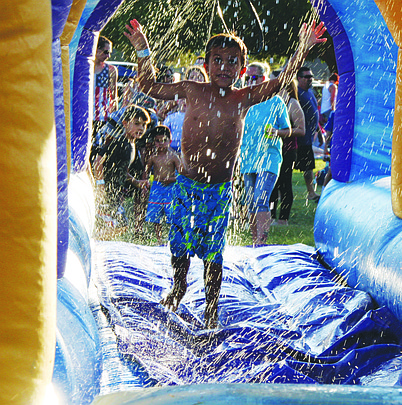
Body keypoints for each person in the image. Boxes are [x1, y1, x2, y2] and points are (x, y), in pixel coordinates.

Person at [124, 18, 326, 328]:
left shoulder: (242, 98)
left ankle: (211, 307)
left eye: (233, 62)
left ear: (243, 70)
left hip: (219, 192)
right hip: (187, 185)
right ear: (205, 64)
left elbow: (283, 79)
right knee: (180, 247)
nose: (224, 66)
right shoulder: (192, 89)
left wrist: (304, 46)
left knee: (213, 254)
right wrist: (142, 50)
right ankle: (178, 289)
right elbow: (149, 87)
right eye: (217, 60)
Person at [239, 62, 291, 244]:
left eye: (256, 78)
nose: (251, 81)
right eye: (248, 78)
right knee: (251, 202)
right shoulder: (244, 100)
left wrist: (277, 132)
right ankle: (255, 240)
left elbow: (288, 130)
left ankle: (262, 240)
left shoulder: (275, 101)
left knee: (261, 198)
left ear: (265, 79)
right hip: (247, 158)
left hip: (269, 156)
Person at [94, 104, 151, 226]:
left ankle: (99, 240)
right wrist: (100, 184)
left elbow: (122, 170)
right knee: (118, 225)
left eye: (144, 125)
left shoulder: (132, 144)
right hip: (108, 192)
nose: (141, 128)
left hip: (115, 193)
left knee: (119, 225)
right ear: (125, 123)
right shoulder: (121, 143)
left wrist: (137, 182)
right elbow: (98, 161)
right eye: (136, 123)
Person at [270, 79, 305, 226]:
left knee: (284, 184)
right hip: (273, 149)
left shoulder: (292, 103)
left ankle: (283, 219)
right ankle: (271, 217)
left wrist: (279, 133)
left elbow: (301, 130)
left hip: (288, 150)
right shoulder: (273, 102)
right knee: (272, 184)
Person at [143, 126, 182, 245]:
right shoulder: (153, 157)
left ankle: (171, 237)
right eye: (158, 141)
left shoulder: (173, 156)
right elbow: (146, 171)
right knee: (156, 214)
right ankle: (159, 239)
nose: (161, 143)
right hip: (156, 187)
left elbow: (181, 175)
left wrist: (172, 179)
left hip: (170, 187)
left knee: (171, 213)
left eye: (164, 140)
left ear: (170, 141)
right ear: (154, 142)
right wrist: (145, 184)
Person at [295, 66, 321, 202]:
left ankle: (311, 192)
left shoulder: (310, 92)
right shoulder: (297, 93)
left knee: (309, 166)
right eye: (307, 77)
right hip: (299, 138)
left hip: (309, 137)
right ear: (299, 78)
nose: (310, 79)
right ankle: (310, 192)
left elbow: (314, 114)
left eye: (311, 76)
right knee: (306, 166)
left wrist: (319, 132)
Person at [91, 36, 118, 166]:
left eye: (109, 53)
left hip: (102, 116)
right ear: (96, 50)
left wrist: (115, 116)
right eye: (106, 52)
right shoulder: (85, 67)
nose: (108, 56)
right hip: (85, 115)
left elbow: (114, 94)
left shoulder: (111, 70)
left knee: (99, 150)